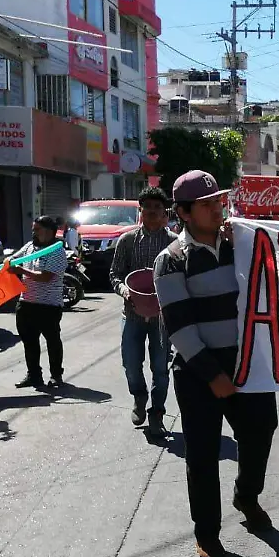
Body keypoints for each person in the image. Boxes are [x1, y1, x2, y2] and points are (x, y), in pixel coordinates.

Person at [154, 170, 278, 557]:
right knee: (203, 455)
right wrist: (213, 375)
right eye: (207, 203)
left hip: (249, 366)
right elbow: (180, 327)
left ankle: (247, 494)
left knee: (262, 430)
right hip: (198, 371)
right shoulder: (170, 261)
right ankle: (207, 533)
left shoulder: (241, 247)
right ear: (185, 212)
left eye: (218, 200)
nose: (217, 208)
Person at [110, 186, 177, 437]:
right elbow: (114, 274)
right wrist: (124, 291)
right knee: (130, 363)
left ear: (164, 213)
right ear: (140, 211)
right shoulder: (126, 241)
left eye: (156, 208)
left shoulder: (174, 243)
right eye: (146, 208)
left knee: (160, 367)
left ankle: (157, 414)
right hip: (132, 314)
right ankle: (139, 396)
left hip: (162, 318)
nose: (151, 212)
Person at [9, 216, 68, 389]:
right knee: (29, 342)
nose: (33, 232)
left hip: (48, 306)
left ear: (49, 232)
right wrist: (9, 261)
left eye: (37, 229)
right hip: (26, 303)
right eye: (33, 229)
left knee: (52, 341)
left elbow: (46, 277)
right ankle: (33, 375)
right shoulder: (30, 246)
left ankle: (56, 376)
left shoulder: (57, 251)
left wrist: (20, 270)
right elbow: (15, 258)